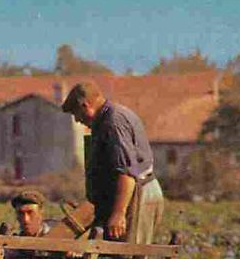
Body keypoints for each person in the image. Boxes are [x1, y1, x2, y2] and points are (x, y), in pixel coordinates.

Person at [61, 81, 165, 243]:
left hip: (135, 194)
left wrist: (119, 213)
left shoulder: (113, 122)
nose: (77, 120)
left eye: (76, 114)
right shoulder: (106, 120)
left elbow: (126, 173)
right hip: (129, 195)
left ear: (85, 105)